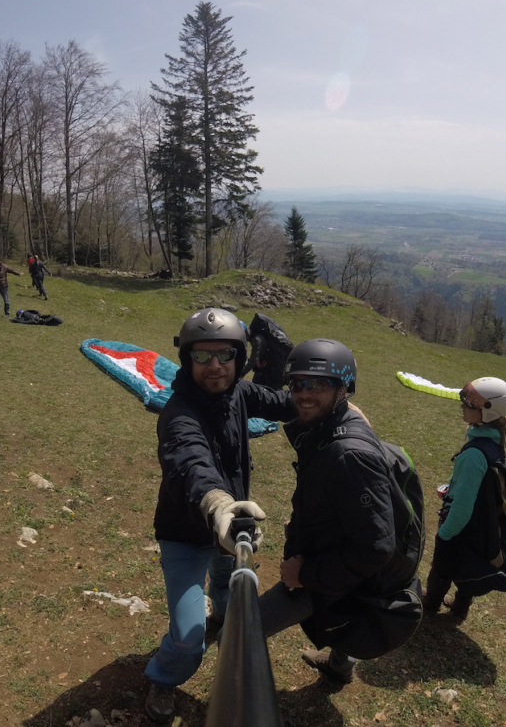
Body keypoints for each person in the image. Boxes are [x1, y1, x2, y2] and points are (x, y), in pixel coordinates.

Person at [144, 307, 295, 724]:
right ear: (186, 358)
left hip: (232, 532)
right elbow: (190, 462)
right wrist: (219, 506)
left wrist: (333, 404)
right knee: (190, 639)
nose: (215, 367)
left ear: (239, 358)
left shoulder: (240, 394)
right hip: (188, 533)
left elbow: (284, 402)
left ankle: (223, 613)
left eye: (225, 356)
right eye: (202, 356)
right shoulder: (177, 415)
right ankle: (164, 675)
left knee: (229, 592)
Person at [257, 339, 422, 684]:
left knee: (247, 626)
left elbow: (376, 547)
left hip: (325, 573)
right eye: (298, 384)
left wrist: (305, 575)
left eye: (318, 383)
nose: (304, 394)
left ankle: (240, 701)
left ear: (343, 387)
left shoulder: (347, 454)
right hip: (338, 560)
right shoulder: (335, 423)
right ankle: (339, 665)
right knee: (346, 609)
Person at [422, 377, 506, 622]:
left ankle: (430, 602)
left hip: (464, 524)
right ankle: (460, 607)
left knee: (445, 563)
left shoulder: (474, 454)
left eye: (470, 403)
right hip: (483, 523)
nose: (463, 406)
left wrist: (445, 534)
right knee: (470, 562)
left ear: (487, 411)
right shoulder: (499, 440)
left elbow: (462, 510)